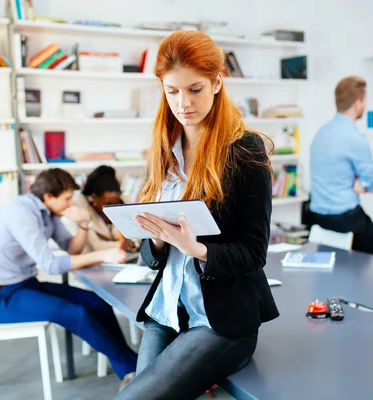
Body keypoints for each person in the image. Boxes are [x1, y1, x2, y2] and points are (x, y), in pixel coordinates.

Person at [116, 31, 279, 399]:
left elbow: (254, 253)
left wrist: (198, 249)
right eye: (172, 91)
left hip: (222, 322)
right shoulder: (162, 149)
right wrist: (157, 238)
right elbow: (151, 256)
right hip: (169, 312)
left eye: (195, 89)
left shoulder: (244, 150)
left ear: (217, 82)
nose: (183, 102)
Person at [0, 168, 137, 389]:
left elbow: (71, 250)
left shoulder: (48, 213)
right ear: (48, 196)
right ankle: (133, 367)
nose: (71, 204)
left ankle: (130, 368)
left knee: (96, 302)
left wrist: (84, 225)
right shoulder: (22, 212)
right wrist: (101, 255)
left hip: (25, 285)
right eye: (67, 198)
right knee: (76, 314)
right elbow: (50, 265)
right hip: (1, 298)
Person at [308, 76, 373, 257]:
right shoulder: (354, 137)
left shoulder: (321, 132)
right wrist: (365, 182)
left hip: (318, 219)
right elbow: (372, 183)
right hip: (345, 219)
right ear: (358, 103)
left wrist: (363, 182)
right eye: (365, 100)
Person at [73, 165, 136, 251]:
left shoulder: (125, 202)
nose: (113, 207)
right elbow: (97, 245)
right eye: (108, 203)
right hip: (94, 260)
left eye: (116, 202)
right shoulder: (81, 209)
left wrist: (130, 244)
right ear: (94, 197)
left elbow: (137, 239)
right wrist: (126, 244)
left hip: (125, 257)